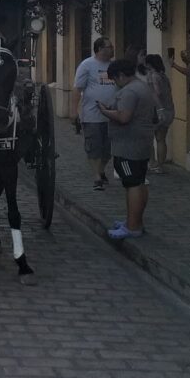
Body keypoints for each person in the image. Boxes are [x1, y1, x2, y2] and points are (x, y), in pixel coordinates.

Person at [98, 59, 156, 240]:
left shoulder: (130, 91)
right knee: (139, 182)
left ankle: (132, 227)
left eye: (115, 80)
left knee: (132, 184)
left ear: (121, 75)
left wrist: (104, 111)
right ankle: (135, 221)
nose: (116, 84)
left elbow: (124, 117)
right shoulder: (142, 86)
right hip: (141, 142)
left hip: (129, 145)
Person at [71, 36, 116, 191]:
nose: (112, 49)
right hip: (92, 114)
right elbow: (77, 88)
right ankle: (97, 176)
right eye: (109, 47)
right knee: (94, 146)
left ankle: (102, 169)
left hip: (112, 115)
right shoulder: (87, 65)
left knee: (108, 149)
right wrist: (74, 111)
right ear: (99, 49)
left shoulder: (113, 66)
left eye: (111, 47)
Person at [144, 54, 175, 173]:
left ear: (149, 64)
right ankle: (160, 165)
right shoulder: (163, 76)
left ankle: (152, 163)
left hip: (157, 111)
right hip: (169, 110)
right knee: (161, 139)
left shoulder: (152, 76)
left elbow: (156, 93)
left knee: (149, 138)